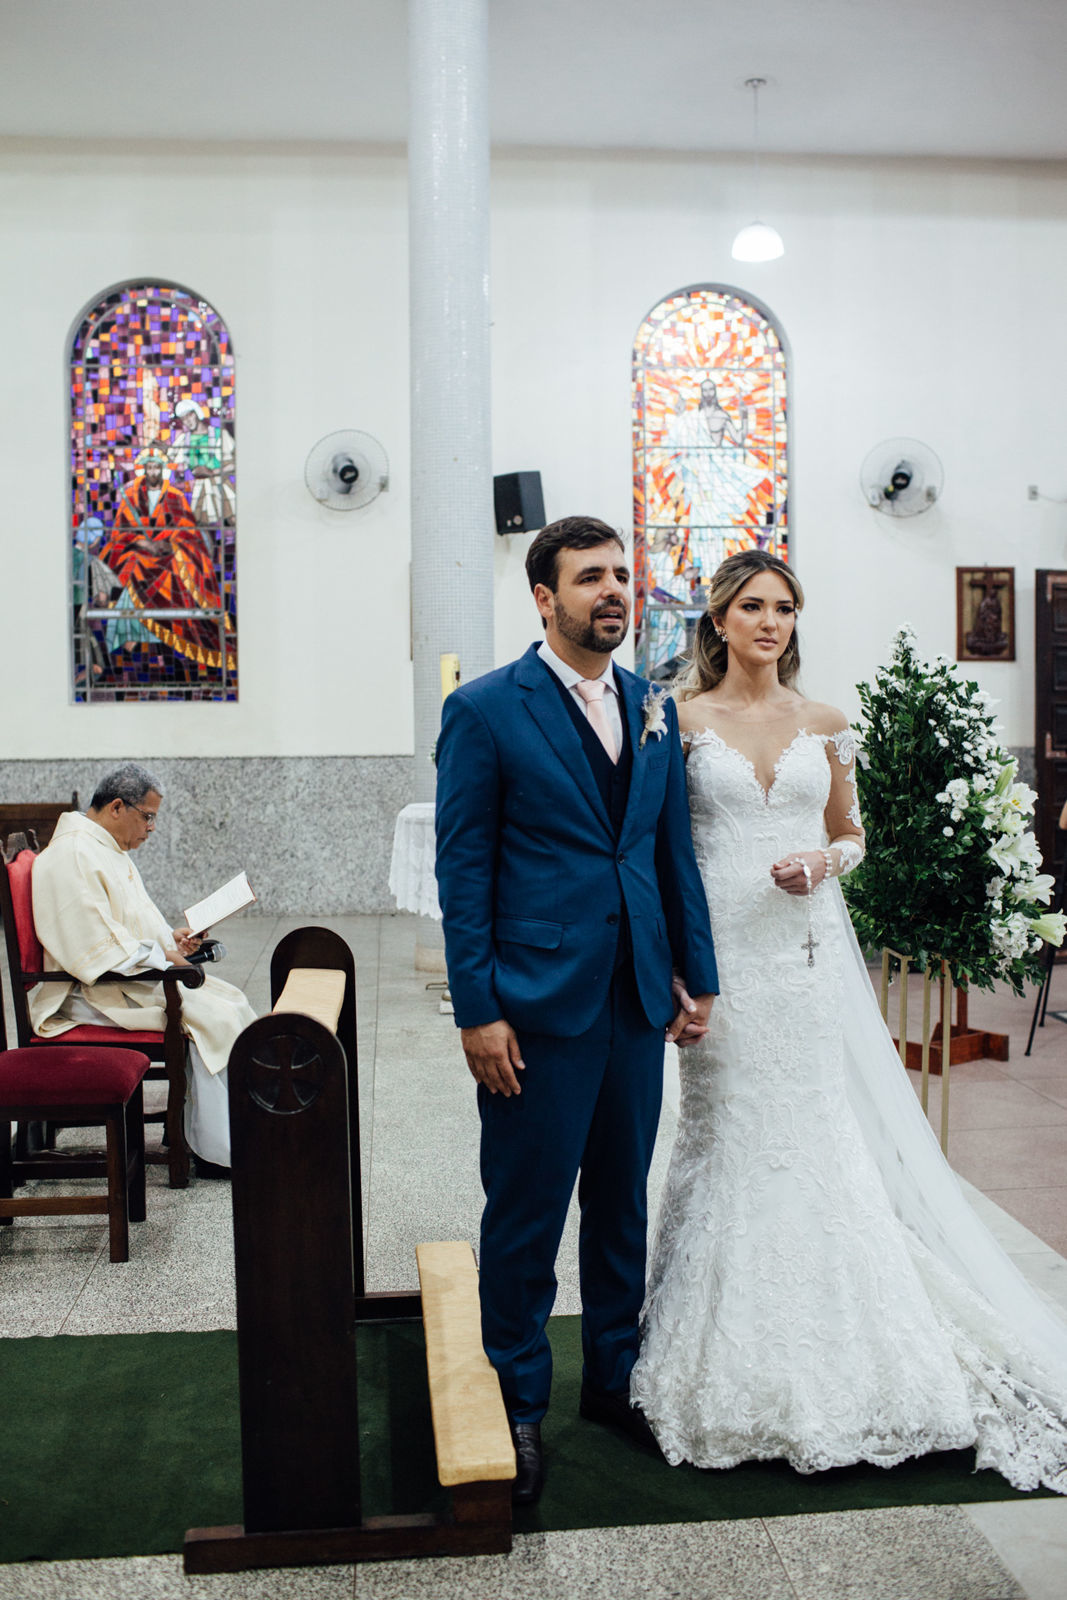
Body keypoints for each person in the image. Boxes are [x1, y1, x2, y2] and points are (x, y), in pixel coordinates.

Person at [631, 549, 1067, 1492]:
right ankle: (716, 1337)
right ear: (716, 619)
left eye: (784, 608)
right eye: (752, 606)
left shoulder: (823, 723)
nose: (770, 623)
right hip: (721, 963)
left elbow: (851, 834)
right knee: (727, 1133)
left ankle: (853, 1337)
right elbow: (661, 850)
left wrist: (819, 866)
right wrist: (673, 964)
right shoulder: (676, 720)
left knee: (814, 1135)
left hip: (802, 959)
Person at [434, 515, 719, 1506]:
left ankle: (613, 1377)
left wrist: (696, 970)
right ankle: (517, 1396)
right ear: (543, 598)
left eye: (619, 576)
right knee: (524, 1213)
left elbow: (664, 850)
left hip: (635, 998)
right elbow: (461, 871)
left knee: (618, 1204)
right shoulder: (485, 711)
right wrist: (477, 1007)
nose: (611, 591)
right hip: (533, 1004)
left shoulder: (652, 705)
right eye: (588, 577)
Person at [29, 764, 256, 1173]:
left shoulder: (104, 847)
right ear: (117, 807)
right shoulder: (74, 854)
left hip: (124, 980)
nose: (151, 828)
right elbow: (93, 948)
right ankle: (218, 1152)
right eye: (148, 816)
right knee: (210, 1016)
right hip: (86, 994)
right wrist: (163, 956)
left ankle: (225, 1132)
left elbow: (124, 927)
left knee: (231, 1001)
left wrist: (172, 940)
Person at [100, 446, 234, 676]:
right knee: (133, 565)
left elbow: (187, 530)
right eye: (149, 467)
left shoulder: (175, 496)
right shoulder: (130, 496)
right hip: (138, 553)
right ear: (144, 470)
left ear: (163, 470)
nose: (153, 472)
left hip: (168, 554)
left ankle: (167, 640)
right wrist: (143, 543)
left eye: (157, 467)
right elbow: (120, 532)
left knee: (176, 570)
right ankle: (130, 639)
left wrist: (168, 544)